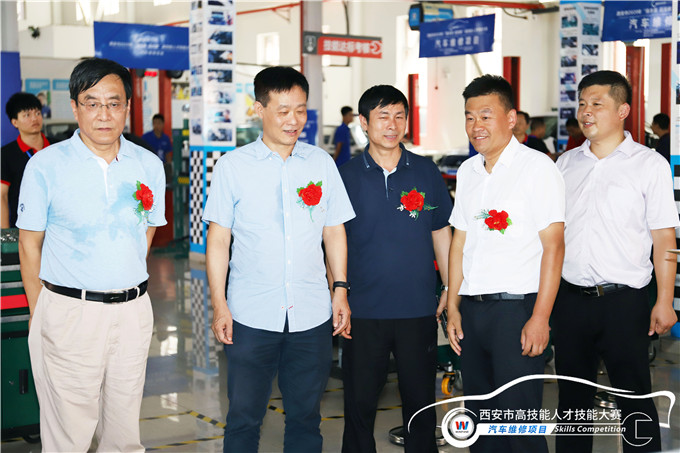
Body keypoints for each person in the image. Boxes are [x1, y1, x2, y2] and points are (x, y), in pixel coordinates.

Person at [203, 66, 355, 453]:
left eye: (301, 110)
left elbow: (334, 230)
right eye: (283, 110)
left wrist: (339, 289)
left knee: (306, 418)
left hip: (310, 313)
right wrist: (219, 304)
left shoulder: (321, 163)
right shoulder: (233, 167)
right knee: (244, 417)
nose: (293, 120)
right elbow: (218, 240)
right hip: (251, 315)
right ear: (259, 109)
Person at [16, 58, 166, 452]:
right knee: (69, 434)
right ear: (75, 106)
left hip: (133, 313)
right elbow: (29, 244)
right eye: (92, 103)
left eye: (114, 103)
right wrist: (40, 311)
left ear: (128, 107)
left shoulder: (148, 164)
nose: (104, 114)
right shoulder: (46, 166)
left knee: (123, 433)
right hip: (69, 311)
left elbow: (148, 229)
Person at [553, 71, 678, 453]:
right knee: (572, 403)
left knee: (634, 399)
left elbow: (664, 239)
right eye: (582, 104)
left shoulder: (649, 165)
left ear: (623, 110)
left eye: (597, 104)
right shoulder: (565, 164)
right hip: (570, 300)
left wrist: (664, 301)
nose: (586, 112)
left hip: (624, 302)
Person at [446, 74, 565, 453]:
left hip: (517, 313)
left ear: (511, 118)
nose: (475, 126)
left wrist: (540, 317)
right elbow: (459, 242)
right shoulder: (468, 171)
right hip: (472, 311)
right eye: (469, 117)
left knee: (518, 424)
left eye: (485, 116)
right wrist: (453, 305)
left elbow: (554, 247)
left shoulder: (537, 168)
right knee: (479, 423)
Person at [339, 85, 452, 453]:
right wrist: (338, 293)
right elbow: (334, 241)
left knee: (420, 404)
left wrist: (449, 288)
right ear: (363, 122)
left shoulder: (425, 171)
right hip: (363, 310)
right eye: (383, 116)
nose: (392, 124)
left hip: (417, 309)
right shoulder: (346, 176)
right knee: (359, 404)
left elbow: (441, 232)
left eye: (399, 116)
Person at [1, 92, 51, 228]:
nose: (34, 118)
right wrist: (5, 234)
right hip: (24, 227)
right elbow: (2, 196)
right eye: (27, 115)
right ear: (15, 122)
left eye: (37, 113)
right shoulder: (5, 155)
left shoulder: (57, 147)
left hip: (58, 227)